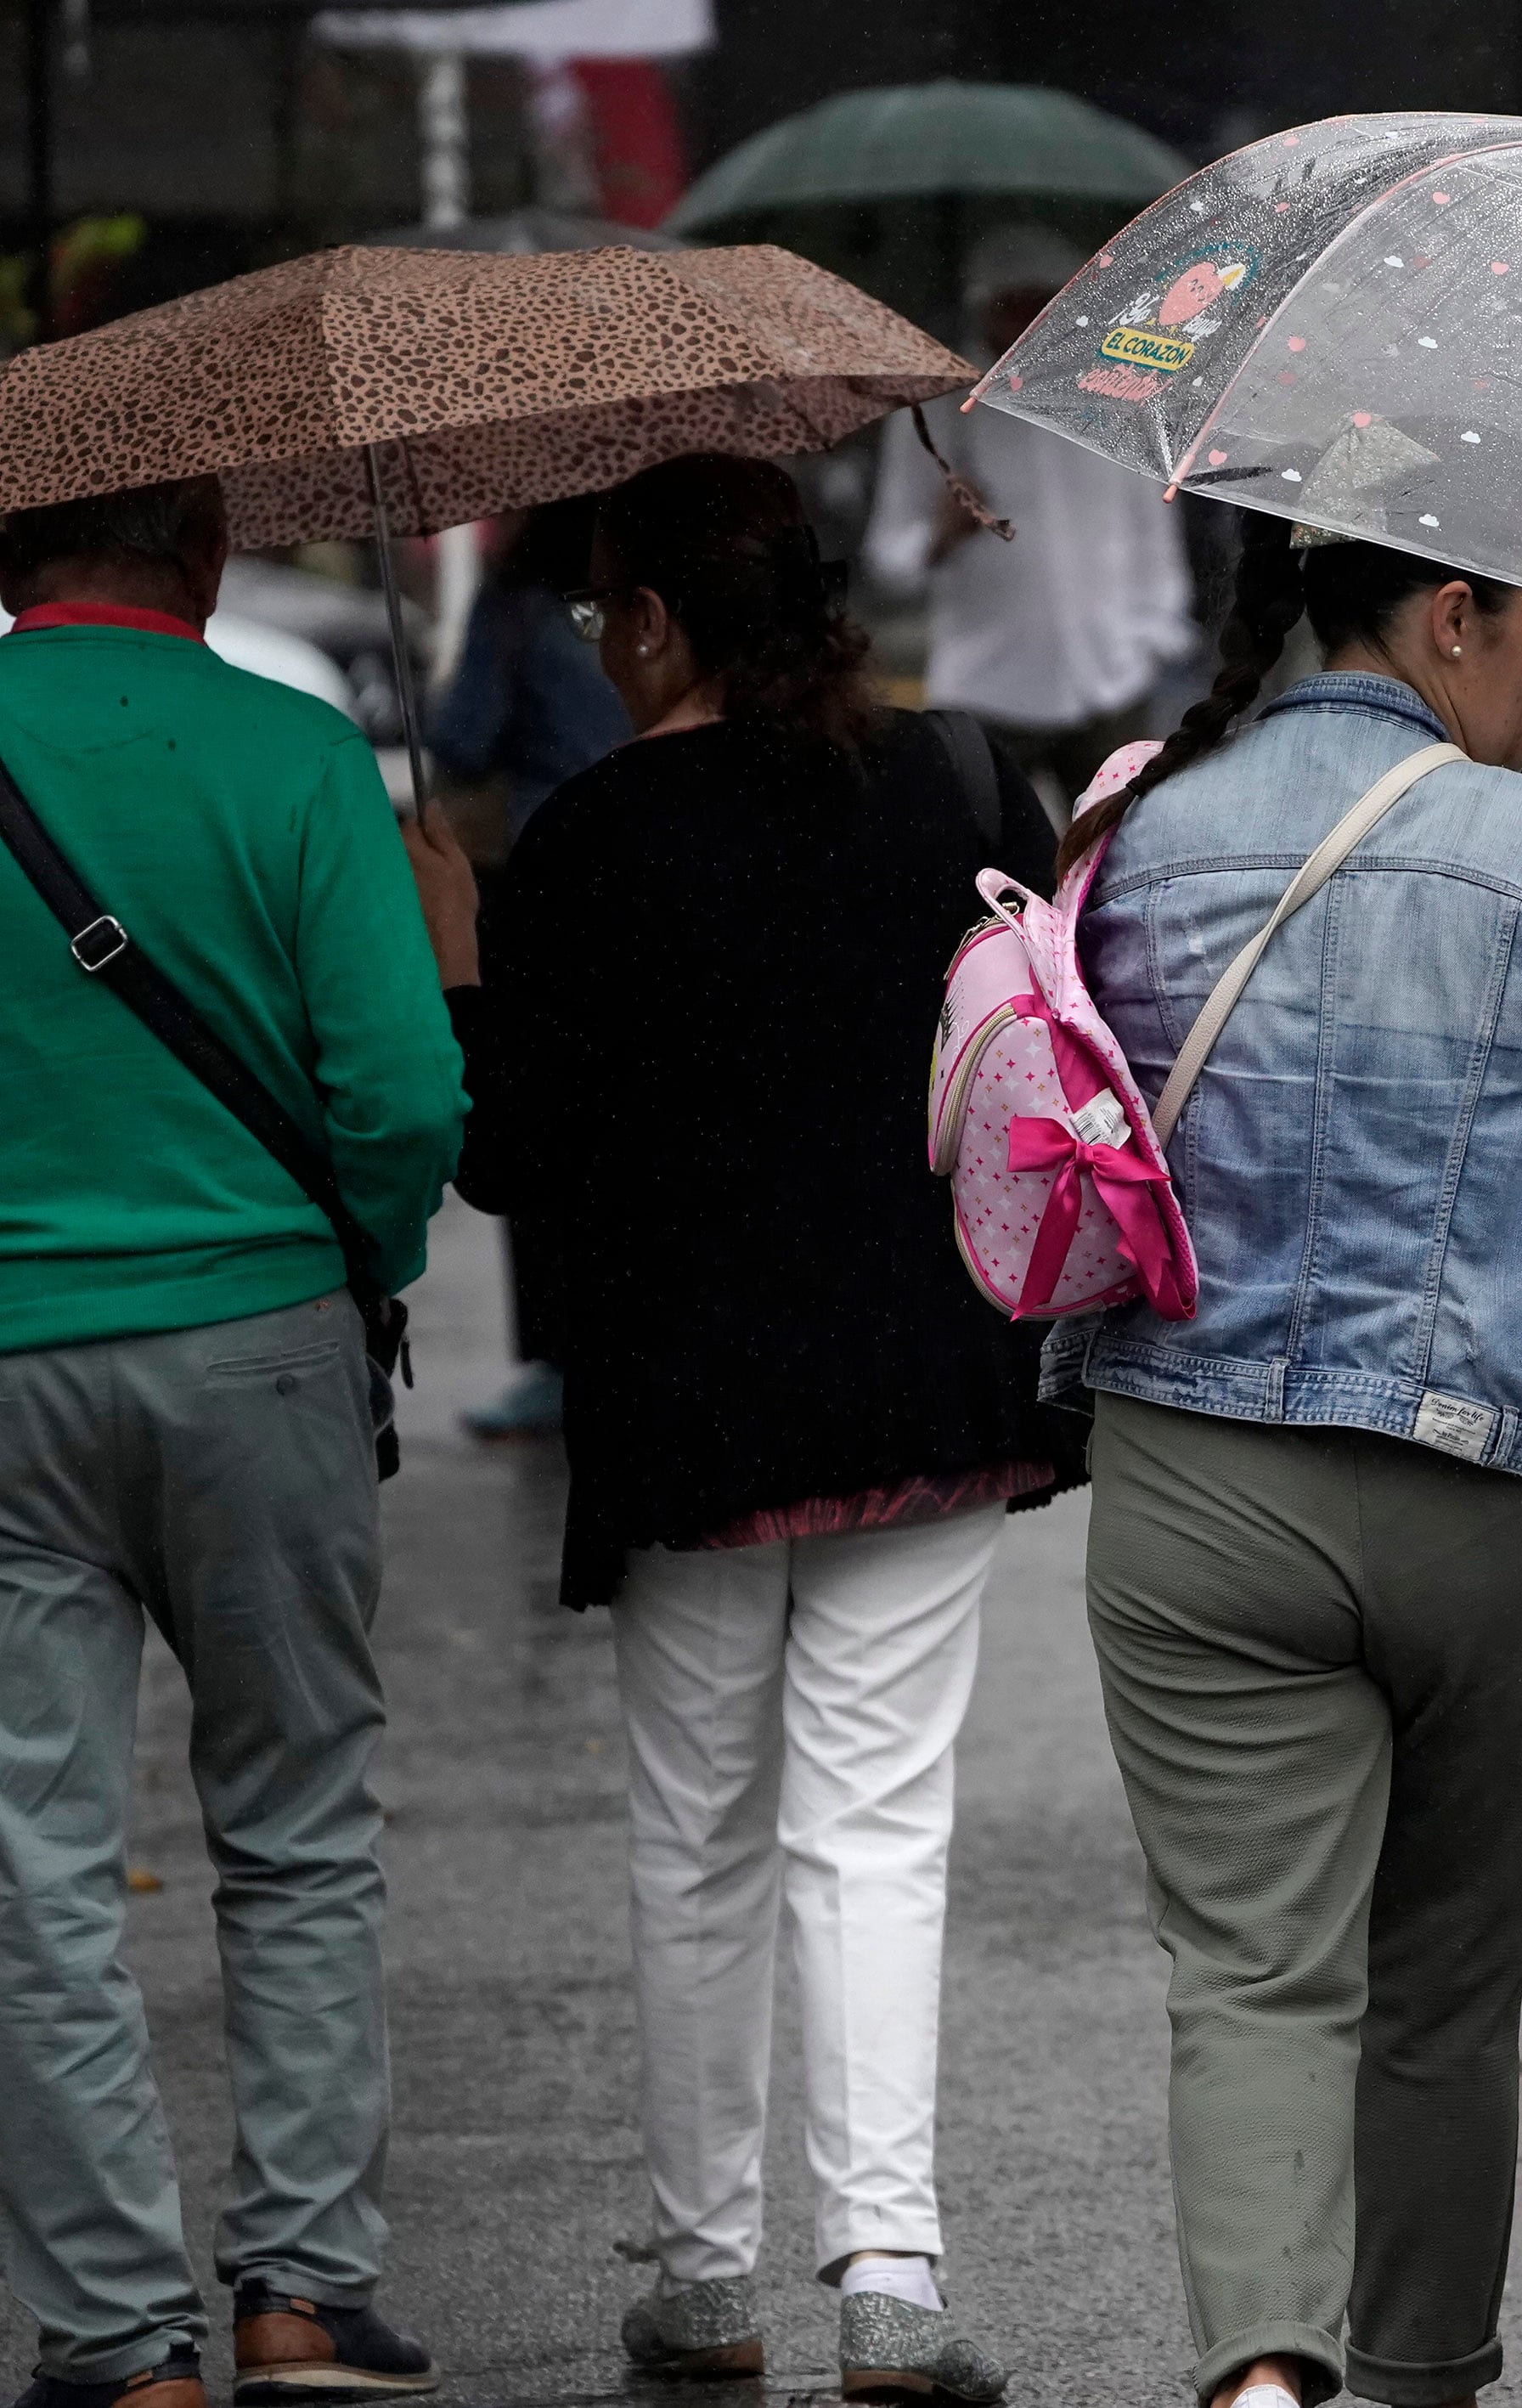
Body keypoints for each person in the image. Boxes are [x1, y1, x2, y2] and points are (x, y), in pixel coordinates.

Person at [401, 452, 1082, 2405]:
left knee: (700, 1837)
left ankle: (706, 2273)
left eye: (610, 614)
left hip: (696, 1407)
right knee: (878, 1828)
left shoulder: (595, 838)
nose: (601, 646)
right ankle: (889, 2267)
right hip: (924, 1380)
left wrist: (462, 955)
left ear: (666, 623)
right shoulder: (958, 783)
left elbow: (510, 1160)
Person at [1060, 518, 1522, 2408]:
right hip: (1488, 1494)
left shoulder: (1142, 826)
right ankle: (1418, 2378)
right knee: (1441, 1984)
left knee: (1253, 1975)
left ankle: (1262, 2382)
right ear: (1448, 613)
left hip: (1193, 1477)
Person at [0, 474, 465, 2408]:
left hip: (11, 1360)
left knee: (35, 1860)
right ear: (202, 558)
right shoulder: (295, 756)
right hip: (268, 1341)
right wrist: (360, 1261)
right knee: (295, 1830)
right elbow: (406, 1098)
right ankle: (300, 2289)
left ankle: (115, 2341)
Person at [863, 221, 1195, 804]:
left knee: (1114, 863)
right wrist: (939, 537)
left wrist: (1153, 632)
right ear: (982, 309)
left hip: (1109, 679)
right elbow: (888, 557)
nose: (1029, 323)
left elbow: (1151, 530)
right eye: (1012, 306)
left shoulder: (1119, 392)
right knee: (988, 872)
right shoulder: (937, 409)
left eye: (1043, 305)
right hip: (988, 688)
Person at [426, 494, 629, 1442]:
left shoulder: (513, 607)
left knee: (539, 1117)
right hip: (650, 871)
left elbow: (466, 737)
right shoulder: (630, 601)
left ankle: (556, 1362)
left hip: (542, 884)